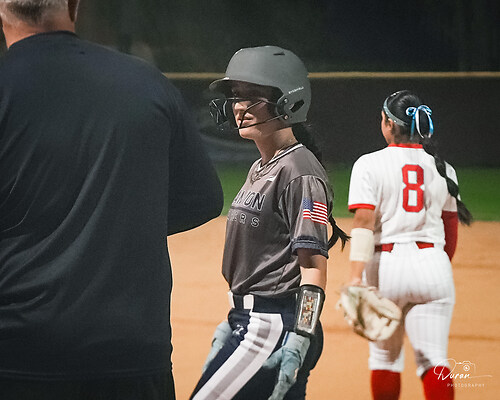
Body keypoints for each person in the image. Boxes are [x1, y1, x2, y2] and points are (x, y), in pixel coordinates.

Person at [0, 1, 223, 399]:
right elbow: (203, 199)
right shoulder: (146, 81)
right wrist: (121, 220)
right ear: (74, 5)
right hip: (131, 350)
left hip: (19, 352)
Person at [190, 46, 348, 400]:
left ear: (288, 101)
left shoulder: (299, 172)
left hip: (274, 327)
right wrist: (234, 317)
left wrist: (302, 334)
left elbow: (313, 268)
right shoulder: (262, 166)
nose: (239, 106)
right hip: (252, 320)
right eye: (236, 95)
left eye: (252, 96)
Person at [346, 90, 472, 400]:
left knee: (384, 359)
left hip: (385, 268)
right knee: (434, 360)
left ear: (389, 124)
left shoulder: (369, 164)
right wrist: (436, 269)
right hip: (433, 266)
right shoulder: (444, 169)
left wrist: (355, 277)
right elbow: (450, 230)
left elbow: (363, 221)